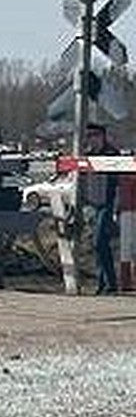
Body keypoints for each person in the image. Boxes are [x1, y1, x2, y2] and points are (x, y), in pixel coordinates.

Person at [86, 123, 119, 294]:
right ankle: (104, 283)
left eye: (94, 135)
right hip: (93, 203)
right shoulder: (88, 155)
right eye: (89, 136)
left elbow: (118, 181)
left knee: (99, 241)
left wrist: (116, 208)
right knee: (99, 244)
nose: (91, 139)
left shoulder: (112, 153)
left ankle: (110, 282)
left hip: (108, 203)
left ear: (102, 136)